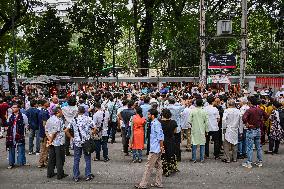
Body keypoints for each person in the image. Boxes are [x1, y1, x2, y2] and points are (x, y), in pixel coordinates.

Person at [135, 109, 164, 189]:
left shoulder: (156, 124)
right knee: (158, 166)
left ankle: (143, 184)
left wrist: (161, 147)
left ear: (152, 115)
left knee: (148, 167)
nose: (147, 116)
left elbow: (160, 136)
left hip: (155, 149)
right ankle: (158, 183)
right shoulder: (155, 123)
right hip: (156, 148)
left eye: (148, 114)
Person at [66, 106, 95, 182]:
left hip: (77, 142)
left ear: (78, 111)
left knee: (76, 159)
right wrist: (91, 134)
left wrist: (72, 138)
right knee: (87, 159)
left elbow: (66, 130)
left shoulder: (74, 120)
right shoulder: (88, 119)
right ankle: (88, 175)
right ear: (85, 111)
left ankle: (76, 176)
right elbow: (95, 128)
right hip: (86, 142)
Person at [242, 96, 268, 169]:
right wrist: (261, 121)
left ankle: (249, 162)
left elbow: (244, 118)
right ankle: (259, 161)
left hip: (251, 129)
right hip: (258, 129)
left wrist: (246, 123)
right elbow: (266, 116)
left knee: (249, 147)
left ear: (250, 102)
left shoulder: (249, 110)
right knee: (258, 147)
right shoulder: (260, 109)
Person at [46, 107, 68, 180]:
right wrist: (51, 140)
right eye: (61, 111)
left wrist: (49, 140)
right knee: (60, 158)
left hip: (52, 142)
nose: (62, 113)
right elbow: (55, 132)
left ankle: (50, 173)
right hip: (58, 142)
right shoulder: (58, 121)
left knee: (51, 158)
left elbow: (46, 130)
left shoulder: (50, 119)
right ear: (57, 112)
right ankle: (60, 174)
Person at [6, 103, 29, 169]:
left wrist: (24, 133)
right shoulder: (10, 116)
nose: (13, 108)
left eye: (15, 107)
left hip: (20, 134)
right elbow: (7, 125)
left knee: (21, 148)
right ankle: (11, 163)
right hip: (11, 135)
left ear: (18, 108)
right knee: (11, 149)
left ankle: (21, 162)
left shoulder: (23, 116)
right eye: (12, 107)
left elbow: (26, 124)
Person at [189, 98, 209, 163]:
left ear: (196, 104)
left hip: (194, 129)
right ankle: (202, 158)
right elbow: (206, 122)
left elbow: (189, 121)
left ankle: (194, 158)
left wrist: (192, 124)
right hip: (202, 129)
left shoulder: (192, 111)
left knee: (194, 143)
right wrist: (207, 130)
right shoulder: (204, 111)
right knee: (202, 143)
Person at [160, 109, 178, 177]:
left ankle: (165, 170)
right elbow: (175, 132)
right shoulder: (173, 122)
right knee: (171, 154)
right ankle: (172, 167)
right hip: (171, 139)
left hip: (163, 140)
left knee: (164, 155)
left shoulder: (159, 122)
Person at [38, 99, 50, 168]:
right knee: (45, 148)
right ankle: (43, 161)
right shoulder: (44, 113)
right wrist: (47, 133)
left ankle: (42, 161)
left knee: (44, 147)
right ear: (44, 104)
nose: (48, 103)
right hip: (44, 133)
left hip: (42, 132)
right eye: (47, 102)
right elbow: (44, 124)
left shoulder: (42, 111)